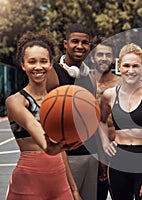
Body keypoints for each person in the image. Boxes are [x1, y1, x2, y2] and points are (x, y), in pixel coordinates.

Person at [5, 31, 80, 199]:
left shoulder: (57, 101)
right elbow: (32, 124)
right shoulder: (16, 101)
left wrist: (74, 189)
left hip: (59, 179)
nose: (38, 66)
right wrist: (49, 147)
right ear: (23, 65)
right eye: (32, 62)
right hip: (29, 180)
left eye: (43, 61)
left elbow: (61, 152)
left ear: (51, 64)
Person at [99, 43, 142, 200]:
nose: (131, 70)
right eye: (126, 65)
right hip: (118, 160)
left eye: (136, 66)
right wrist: (105, 142)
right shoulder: (109, 95)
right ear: (119, 66)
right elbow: (100, 121)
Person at [47, 23, 99, 200]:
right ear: (65, 44)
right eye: (74, 41)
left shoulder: (90, 77)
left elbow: (93, 119)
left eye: (85, 43)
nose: (80, 46)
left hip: (91, 155)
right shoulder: (52, 73)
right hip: (67, 157)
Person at [90, 35, 120, 200]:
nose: (104, 58)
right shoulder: (84, 84)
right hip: (92, 154)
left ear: (114, 58)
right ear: (93, 57)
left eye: (108, 55)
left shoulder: (123, 84)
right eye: (100, 54)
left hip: (117, 152)